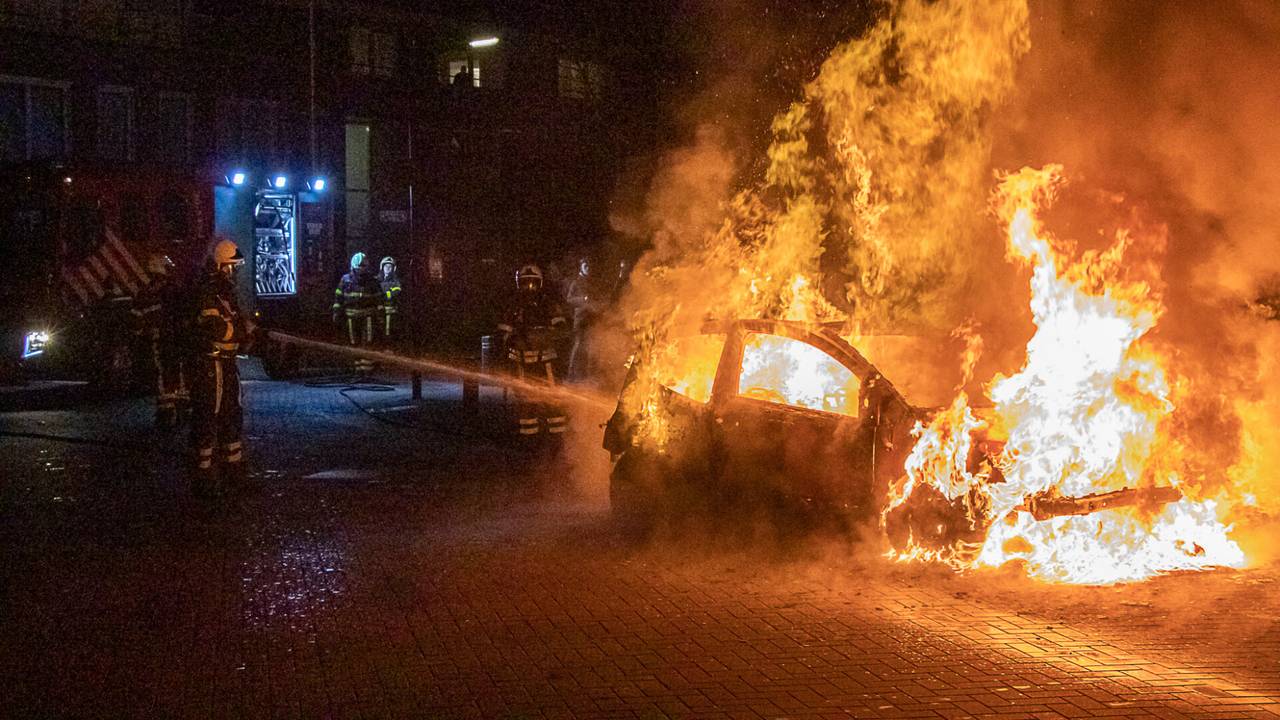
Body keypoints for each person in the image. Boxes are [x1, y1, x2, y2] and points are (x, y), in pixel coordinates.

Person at [190, 239, 254, 498]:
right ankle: (203, 476)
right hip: (210, 365)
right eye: (232, 268)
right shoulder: (207, 292)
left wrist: (249, 336)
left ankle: (233, 472)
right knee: (208, 417)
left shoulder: (226, 294)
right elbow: (214, 329)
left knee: (232, 415)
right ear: (221, 266)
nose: (235, 273)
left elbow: (237, 325)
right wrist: (241, 331)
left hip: (226, 365)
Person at [497, 264, 569, 442]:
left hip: (547, 364)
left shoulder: (548, 303)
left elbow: (561, 329)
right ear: (518, 284)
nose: (530, 287)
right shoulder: (512, 306)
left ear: (540, 283)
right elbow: (503, 334)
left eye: (533, 283)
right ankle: (529, 441)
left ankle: (556, 439)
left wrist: (545, 334)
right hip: (521, 364)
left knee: (553, 402)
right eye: (525, 283)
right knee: (525, 403)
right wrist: (514, 339)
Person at [131, 254, 188, 428]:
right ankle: (182, 411)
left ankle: (167, 414)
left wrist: (138, 336)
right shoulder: (176, 290)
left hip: (160, 341)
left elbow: (137, 321)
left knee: (163, 376)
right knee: (179, 373)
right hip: (176, 339)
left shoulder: (146, 292)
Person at [332, 252, 381, 371]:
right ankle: (357, 369)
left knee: (368, 342)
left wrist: (380, 317)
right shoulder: (345, 280)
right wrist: (336, 313)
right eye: (359, 266)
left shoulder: (372, 281)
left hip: (367, 316)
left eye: (363, 266)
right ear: (353, 266)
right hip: (351, 317)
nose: (361, 269)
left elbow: (379, 300)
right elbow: (338, 298)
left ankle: (366, 370)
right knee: (353, 342)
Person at [565, 256, 606, 382]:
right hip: (580, 320)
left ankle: (588, 374)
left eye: (589, 266)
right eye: (585, 266)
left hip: (591, 319)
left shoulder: (592, 282)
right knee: (577, 346)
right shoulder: (576, 282)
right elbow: (569, 299)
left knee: (590, 347)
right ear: (581, 267)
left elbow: (597, 298)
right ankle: (570, 374)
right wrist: (583, 299)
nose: (588, 268)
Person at [378, 256, 402, 344]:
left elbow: (397, 290)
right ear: (382, 267)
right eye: (386, 266)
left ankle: (388, 343)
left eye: (390, 267)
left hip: (390, 308)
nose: (387, 268)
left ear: (393, 269)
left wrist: (387, 294)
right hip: (379, 308)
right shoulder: (377, 279)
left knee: (389, 327)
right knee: (379, 326)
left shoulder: (395, 281)